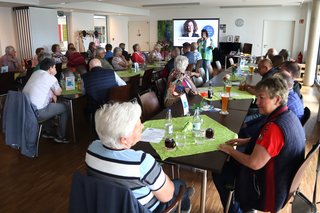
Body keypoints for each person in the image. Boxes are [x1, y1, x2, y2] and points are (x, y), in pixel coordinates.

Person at [213, 75, 305, 213]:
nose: (257, 102)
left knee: (219, 172)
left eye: (262, 98)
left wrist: (229, 150)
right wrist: (246, 140)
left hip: (267, 191)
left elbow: (254, 163)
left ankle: (239, 210)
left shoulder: (274, 128)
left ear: (277, 99)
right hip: (282, 180)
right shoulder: (288, 115)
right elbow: (273, 145)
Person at [85, 102, 193, 212]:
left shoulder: (92, 149)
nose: (142, 126)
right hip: (142, 209)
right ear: (124, 139)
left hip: (108, 205)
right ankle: (184, 206)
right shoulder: (141, 162)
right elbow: (167, 196)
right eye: (138, 125)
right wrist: (158, 172)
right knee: (180, 185)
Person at [23, 58, 69, 143]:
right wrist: (54, 91)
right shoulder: (50, 77)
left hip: (25, 110)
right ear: (50, 68)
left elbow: (41, 87)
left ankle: (48, 131)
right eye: (54, 67)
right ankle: (61, 136)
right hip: (37, 113)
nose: (55, 69)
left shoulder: (35, 73)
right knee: (65, 107)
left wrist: (52, 93)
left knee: (47, 103)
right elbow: (58, 92)